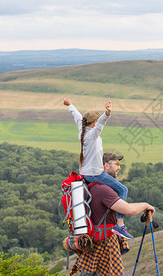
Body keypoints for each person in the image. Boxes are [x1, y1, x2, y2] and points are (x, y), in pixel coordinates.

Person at [71, 152, 156, 276]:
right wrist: (145, 205)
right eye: (116, 164)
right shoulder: (103, 190)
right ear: (106, 166)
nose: (119, 167)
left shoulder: (90, 187)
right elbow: (129, 210)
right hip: (105, 245)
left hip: (91, 243)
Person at [63, 97, 133, 239]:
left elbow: (77, 116)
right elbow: (100, 124)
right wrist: (107, 113)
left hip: (85, 174)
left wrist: (70, 105)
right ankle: (120, 225)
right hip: (95, 174)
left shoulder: (82, 131)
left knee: (116, 189)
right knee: (123, 189)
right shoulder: (92, 135)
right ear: (94, 123)